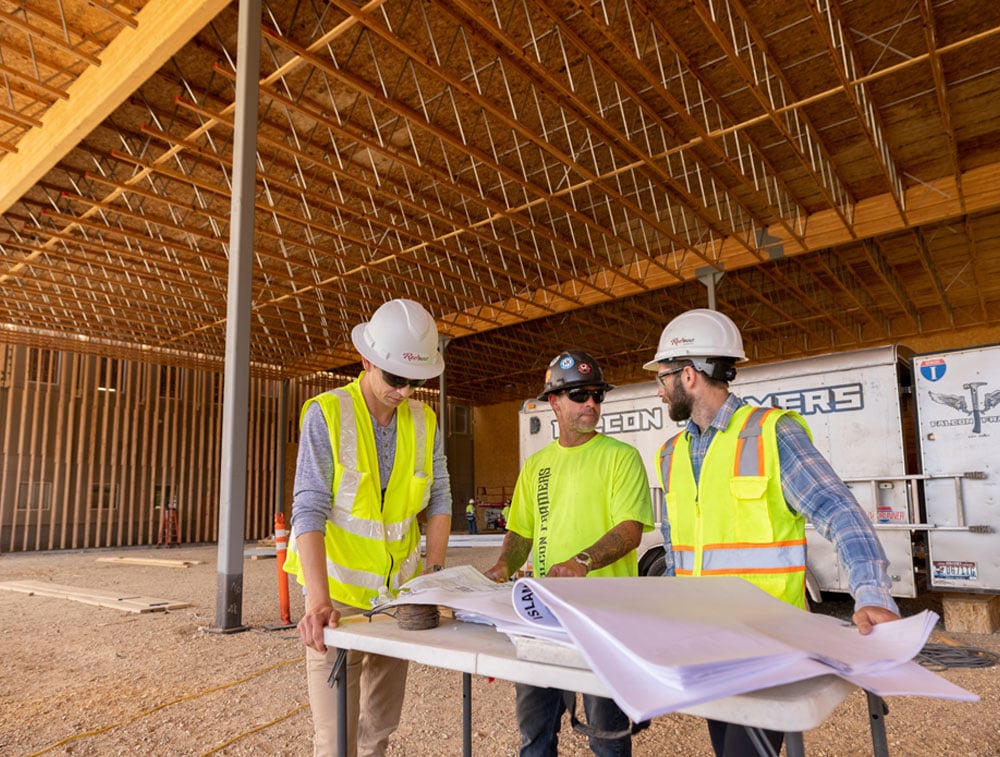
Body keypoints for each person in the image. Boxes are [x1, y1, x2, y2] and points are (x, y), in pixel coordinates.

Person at [644, 308, 901, 757]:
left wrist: (871, 594)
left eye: (661, 377)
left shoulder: (770, 433)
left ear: (687, 376)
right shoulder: (670, 454)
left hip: (769, 646)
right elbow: (676, 553)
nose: (658, 389)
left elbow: (841, 513)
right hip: (706, 645)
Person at [283, 298, 453, 757]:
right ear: (366, 361)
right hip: (336, 597)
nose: (405, 392)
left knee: (378, 731)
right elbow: (310, 507)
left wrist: (433, 574)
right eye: (395, 378)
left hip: (397, 598)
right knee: (335, 740)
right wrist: (318, 601)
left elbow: (438, 498)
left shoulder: (424, 420)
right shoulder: (328, 413)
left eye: (415, 381)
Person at [484, 350, 654, 757]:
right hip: (542, 616)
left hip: (603, 619)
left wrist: (583, 562)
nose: (591, 404)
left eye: (597, 395)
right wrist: (502, 566)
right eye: (579, 395)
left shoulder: (621, 458)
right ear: (555, 402)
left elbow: (630, 530)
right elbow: (521, 532)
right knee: (535, 734)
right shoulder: (536, 465)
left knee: (606, 739)